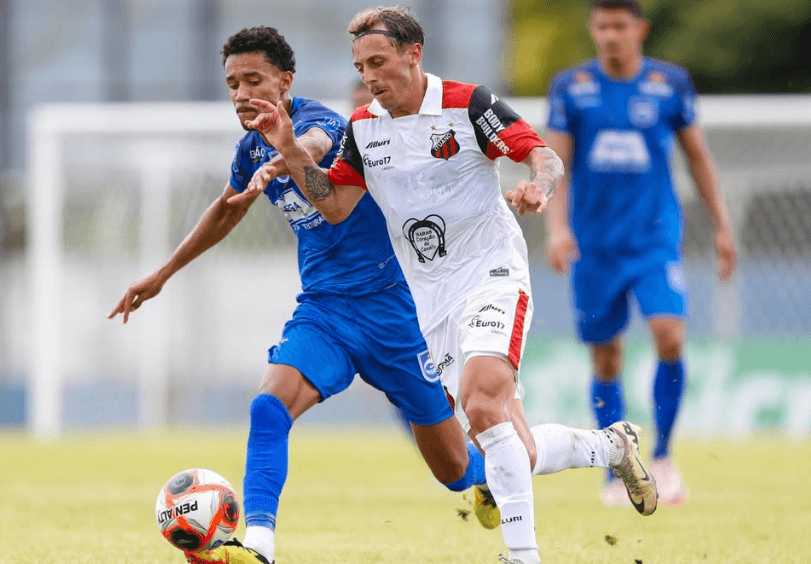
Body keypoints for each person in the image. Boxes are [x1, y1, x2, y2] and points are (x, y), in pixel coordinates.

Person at [240, 7, 658, 563]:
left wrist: (540, 185)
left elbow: (543, 154)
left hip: (492, 274)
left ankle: (522, 555)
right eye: (361, 67)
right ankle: (610, 445)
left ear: (413, 54)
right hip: (431, 300)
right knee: (506, 442)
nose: (370, 77)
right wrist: (289, 151)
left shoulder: (467, 104)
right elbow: (334, 204)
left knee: (483, 401)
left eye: (379, 63)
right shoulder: (365, 128)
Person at [109, 26, 494, 564]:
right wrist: (163, 273)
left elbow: (316, 143)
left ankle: (489, 477)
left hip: (396, 312)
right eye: (232, 84)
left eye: (253, 80)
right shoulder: (248, 149)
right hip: (325, 313)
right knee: (269, 408)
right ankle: (259, 547)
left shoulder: (325, 125)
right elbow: (228, 208)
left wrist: (284, 154)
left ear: (285, 81)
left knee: (453, 470)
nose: (241, 94)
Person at [544, 0, 737, 507]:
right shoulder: (572, 87)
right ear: (593, 28)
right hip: (593, 244)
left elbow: (698, 157)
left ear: (640, 30)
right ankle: (617, 469)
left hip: (653, 239)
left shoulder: (670, 83)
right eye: (602, 26)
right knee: (606, 355)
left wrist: (722, 228)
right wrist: (556, 228)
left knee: (669, 334)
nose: (610, 36)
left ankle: (665, 457)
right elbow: (555, 164)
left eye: (619, 26)